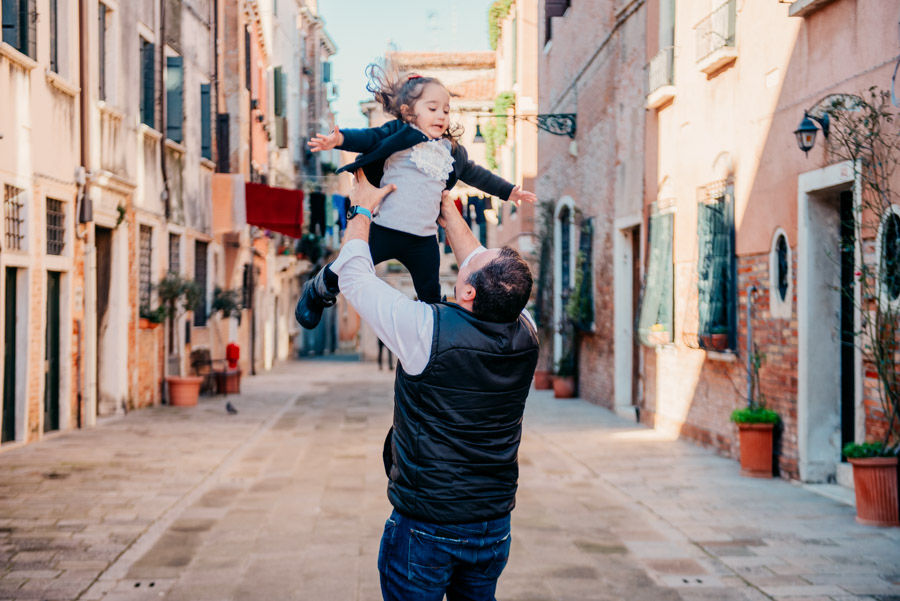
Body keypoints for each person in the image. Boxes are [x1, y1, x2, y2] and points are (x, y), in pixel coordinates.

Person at [328, 169, 538, 601]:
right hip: (493, 525)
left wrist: (362, 209)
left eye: (471, 268)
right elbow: (477, 260)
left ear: (467, 295)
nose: (470, 257)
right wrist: (446, 209)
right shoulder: (527, 332)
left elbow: (354, 277)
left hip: (427, 526)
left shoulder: (427, 332)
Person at [295, 65, 537, 329]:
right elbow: (369, 137)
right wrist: (340, 139)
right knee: (349, 262)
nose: (441, 115)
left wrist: (508, 190)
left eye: (446, 110)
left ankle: (439, 340)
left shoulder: (450, 150)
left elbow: (475, 174)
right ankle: (318, 290)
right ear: (409, 112)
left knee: (431, 296)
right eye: (432, 108)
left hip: (423, 241)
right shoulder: (399, 134)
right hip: (385, 230)